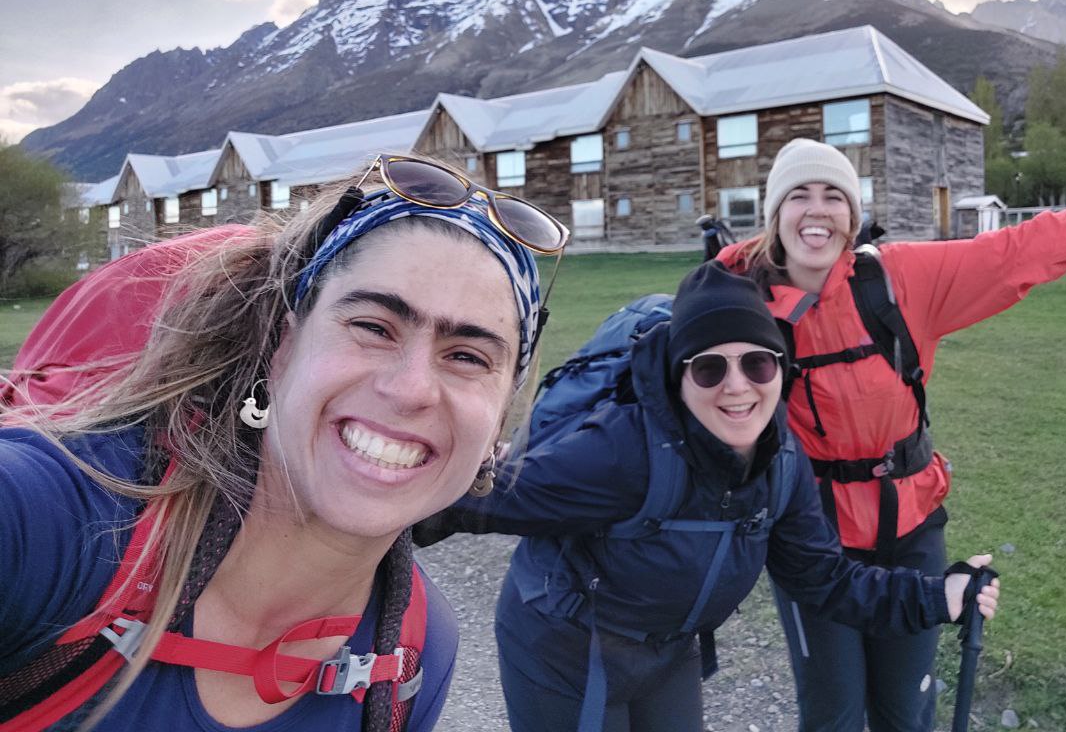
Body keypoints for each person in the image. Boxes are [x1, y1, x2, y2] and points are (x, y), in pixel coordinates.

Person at [0, 154, 569, 732]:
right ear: (282, 347)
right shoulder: (55, 521)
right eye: (373, 327)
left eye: (468, 358)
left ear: (498, 423)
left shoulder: (411, 658)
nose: (411, 389)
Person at [716, 138, 1066, 732]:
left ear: (853, 216)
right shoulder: (734, 301)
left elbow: (1031, 246)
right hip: (812, 540)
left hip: (909, 530)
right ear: (774, 215)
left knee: (907, 708)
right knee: (831, 711)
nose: (817, 211)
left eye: (834, 196)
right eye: (798, 197)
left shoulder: (899, 282)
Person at [421, 260, 1000, 732]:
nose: (738, 387)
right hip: (564, 651)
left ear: (781, 368)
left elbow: (824, 580)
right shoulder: (620, 454)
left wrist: (938, 596)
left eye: (757, 363)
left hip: (669, 652)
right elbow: (473, 503)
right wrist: (356, 517)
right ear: (678, 377)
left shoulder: (783, 462)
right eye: (708, 370)